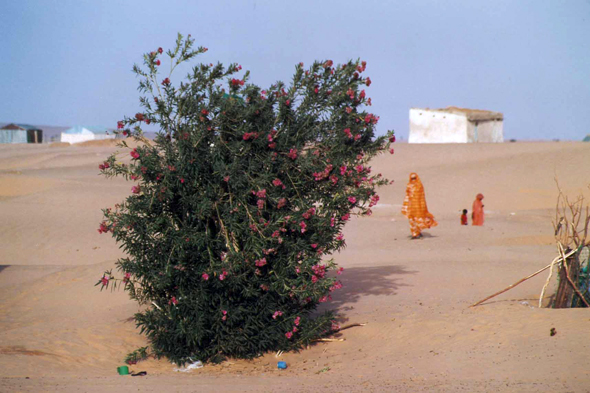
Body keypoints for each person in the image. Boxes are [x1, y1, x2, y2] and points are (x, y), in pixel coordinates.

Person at [401, 173, 437, 239]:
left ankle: (417, 233)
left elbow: (422, 197)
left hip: (419, 207)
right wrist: (406, 206)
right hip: (411, 207)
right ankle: (415, 233)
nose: (413, 180)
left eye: (414, 178)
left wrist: (422, 207)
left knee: (419, 220)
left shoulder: (419, 186)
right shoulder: (409, 186)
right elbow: (407, 196)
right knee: (412, 220)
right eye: (412, 178)